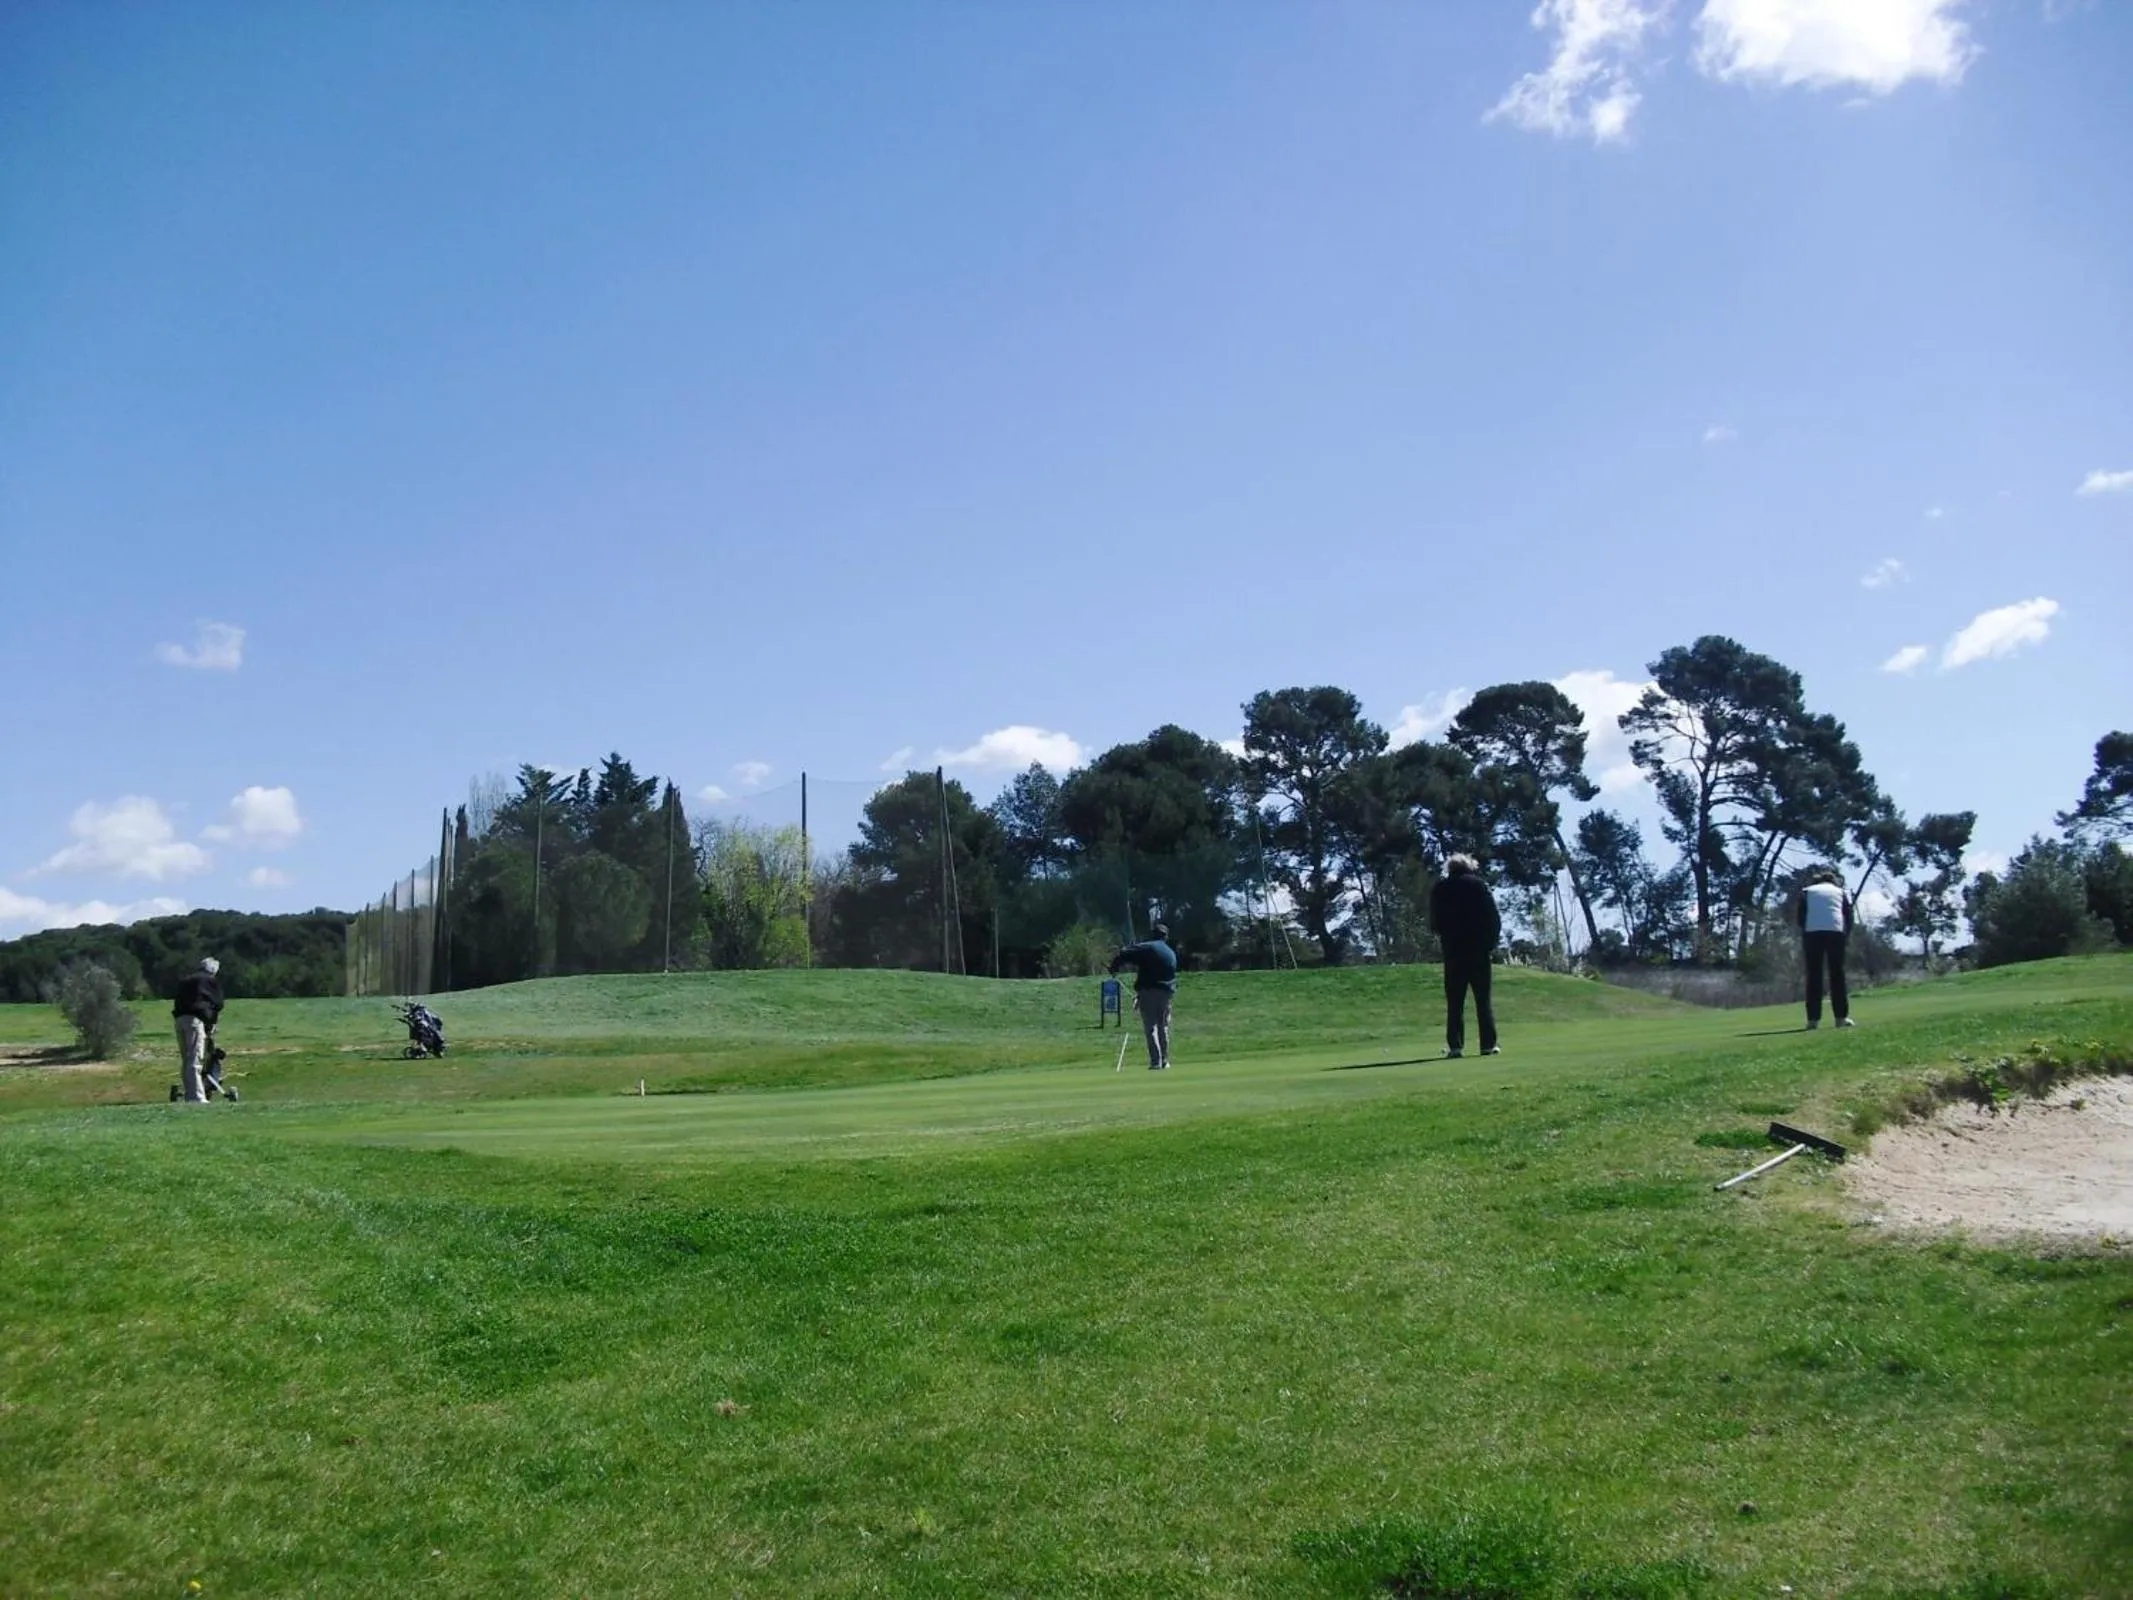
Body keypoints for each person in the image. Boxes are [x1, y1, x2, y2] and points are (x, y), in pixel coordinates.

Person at [1429, 855, 1501, 1058]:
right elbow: (1493, 917)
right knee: (1483, 999)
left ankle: (1455, 1046)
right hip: (1478, 949)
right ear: (1470, 867)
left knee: (1455, 1002)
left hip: (1453, 951)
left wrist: (1446, 938)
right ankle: (1488, 1044)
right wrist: (1490, 944)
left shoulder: (1440, 888)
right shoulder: (1478, 885)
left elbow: (1435, 922)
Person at [1109, 922, 1179, 1070]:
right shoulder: (1170, 952)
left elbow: (1124, 953)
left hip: (1149, 990)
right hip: (1166, 992)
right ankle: (1165, 1061)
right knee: (1163, 1026)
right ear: (1166, 937)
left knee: (1151, 1026)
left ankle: (1155, 1061)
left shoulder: (1148, 947)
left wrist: (1114, 967)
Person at [1796, 868, 1856, 1030]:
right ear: (1833, 881)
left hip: (1812, 933)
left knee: (1814, 976)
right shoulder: (1841, 892)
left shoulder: (1807, 891)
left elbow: (1800, 917)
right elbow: (1848, 917)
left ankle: (1813, 1020)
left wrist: (1806, 932)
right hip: (1835, 932)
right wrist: (1846, 937)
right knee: (1837, 975)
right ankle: (1840, 1018)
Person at [172, 956, 224, 1103]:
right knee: (195, 1059)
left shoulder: (186, 980)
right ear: (213, 971)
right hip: (195, 1020)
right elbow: (218, 1003)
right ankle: (196, 1097)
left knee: (187, 1059)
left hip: (179, 1019)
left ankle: (190, 1093)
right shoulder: (209, 981)